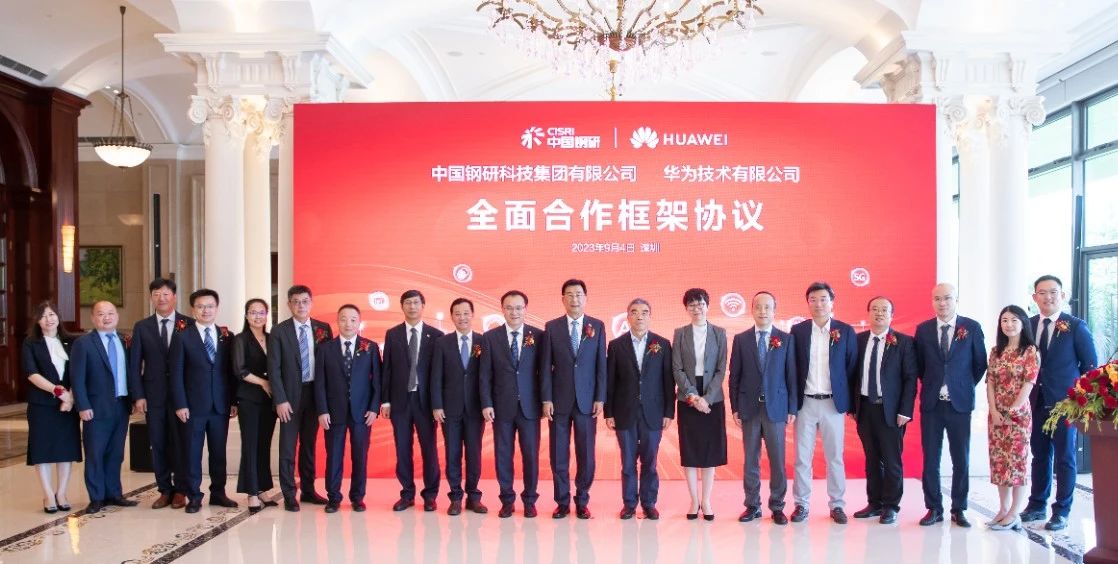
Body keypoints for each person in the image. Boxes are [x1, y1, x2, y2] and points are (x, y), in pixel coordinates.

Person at [1021, 275, 1097, 531]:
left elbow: (1090, 368)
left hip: (1065, 404)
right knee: (1039, 455)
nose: (1048, 297)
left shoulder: (1076, 326)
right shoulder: (1028, 325)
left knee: (1065, 457)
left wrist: (1081, 401)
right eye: (1042, 293)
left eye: (1053, 292)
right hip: (1035, 402)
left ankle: (1062, 510)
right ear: (1035, 297)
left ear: (1062, 295)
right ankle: (1036, 505)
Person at [914, 283, 987, 527]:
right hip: (932, 404)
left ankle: (959, 508)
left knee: (960, 459)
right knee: (931, 460)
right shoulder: (923, 330)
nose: (942, 303)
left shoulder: (971, 327)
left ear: (956, 299)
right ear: (932, 301)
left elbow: (980, 364)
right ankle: (934, 508)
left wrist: (961, 385)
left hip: (960, 404)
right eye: (937, 299)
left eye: (947, 298)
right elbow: (920, 366)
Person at [789, 281, 858, 524]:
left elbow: (851, 368)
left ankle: (837, 505)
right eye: (813, 300)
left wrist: (850, 403)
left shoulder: (845, 331)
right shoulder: (798, 331)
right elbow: (792, 369)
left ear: (832, 302)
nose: (818, 304)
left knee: (835, 457)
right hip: (805, 403)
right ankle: (801, 504)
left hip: (832, 404)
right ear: (808, 303)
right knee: (802, 457)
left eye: (823, 299)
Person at [540, 279, 607, 519]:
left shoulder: (597, 326)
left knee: (586, 455)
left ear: (585, 298)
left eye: (578, 294)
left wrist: (600, 397)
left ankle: (582, 500)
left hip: (587, 402)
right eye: (569, 294)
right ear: (562, 299)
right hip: (559, 401)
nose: (574, 299)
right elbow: (545, 366)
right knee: (558, 454)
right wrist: (546, 399)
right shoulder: (552, 327)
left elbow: (601, 365)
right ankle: (562, 502)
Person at [729, 291, 796, 525]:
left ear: (774, 311)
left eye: (767, 307)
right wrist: (735, 407)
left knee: (778, 461)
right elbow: (734, 376)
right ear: (752, 309)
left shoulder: (785, 339)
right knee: (751, 461)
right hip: (749, 409)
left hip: (776, 409)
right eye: (758, 306)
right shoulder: (741, 339)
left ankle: (777, 506)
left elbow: (791, 376)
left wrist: (792, 408)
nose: (763, 311)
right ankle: (752, 505)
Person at [170, 288, 239, 514]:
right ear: (193, 310)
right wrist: (180, 403)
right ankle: (194, 496)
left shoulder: (226, 337)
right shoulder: (182, 337)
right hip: (192, 407)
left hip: (220, 405)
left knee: (218, 452)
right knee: (192, 453)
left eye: (210, 306)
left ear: (216, 308)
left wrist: (233, 401)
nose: (205, 310)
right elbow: (176, 373)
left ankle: (218, 493)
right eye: (200, 307)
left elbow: (230, 372)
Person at [605, 298, 674, 520]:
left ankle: (649, 503)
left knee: (649, 462)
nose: (639, 316)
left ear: (650, 316)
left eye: (644, 312)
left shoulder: (662, 344)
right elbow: (610, 382)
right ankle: (629, 504)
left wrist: (668, 412)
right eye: (634, 312)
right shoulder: (616, 345)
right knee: (627, 462)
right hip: (624, 412)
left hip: (653, 413)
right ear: (628, 317)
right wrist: (609, 412)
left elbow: (668, 381)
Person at [851, 296, 917, 525]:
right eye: (875, 309)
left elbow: (910, 378)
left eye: (884, 310)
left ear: (891, 315)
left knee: (891, 460)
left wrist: (905, 411)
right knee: (871, 459)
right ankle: (874, 503)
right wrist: (852, 407)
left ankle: (891, 506)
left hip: (891, 411)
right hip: (865, 409)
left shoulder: (904, 342)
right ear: (868, 313)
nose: (879, 313)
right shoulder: (858, 340)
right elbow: (852, 375)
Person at [128, 278, 192, 510]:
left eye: (165, 294)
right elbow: (134, 364)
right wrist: (138, 395)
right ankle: (165, 489)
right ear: (151, 298)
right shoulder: (142, 327)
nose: (161, 298)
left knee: (182, 443)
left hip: (182, 396)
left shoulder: (188, 323)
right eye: (156, 294)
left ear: (174, 296)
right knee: (158, 443)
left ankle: (181, 489)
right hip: (153, 395)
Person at [268, 285, 332, 511]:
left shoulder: (323, 328)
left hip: (315, 395)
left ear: (311, 303)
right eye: (295, 302)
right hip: (289, 398)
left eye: (305, 301)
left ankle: (308, 489)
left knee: (309, 445)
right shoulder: (279, 331)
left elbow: (328, 364)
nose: (300, 305)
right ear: (289, 304)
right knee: (287, 447)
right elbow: (274, 368)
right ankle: (288, 494)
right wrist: (280, 399)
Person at [480, 290, 543, 518]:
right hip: (501, 407)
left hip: (530, 407)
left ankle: (530, 500)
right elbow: (484, 374)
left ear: (525, 309)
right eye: (509, 308)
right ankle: (507, 500)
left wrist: (545, 400)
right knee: (503, 455)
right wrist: (486, 403)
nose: (514, 312)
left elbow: (544, 373)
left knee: (530, 456)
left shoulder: (538, 336)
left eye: (518, 308)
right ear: (502, 310)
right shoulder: (490, 337)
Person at [71, 300, 138, 513]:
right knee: (95, 454)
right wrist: (82, 405)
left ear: (117, 316)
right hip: (95, 407)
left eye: (110, 313)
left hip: (121, 405)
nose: (106, 317)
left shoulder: (124, 341)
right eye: (101, 314)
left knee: (116, 453)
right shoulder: (83, 344)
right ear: (93, 318)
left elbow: (131, 372)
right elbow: (77, 378)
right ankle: (97, 497)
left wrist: (135, 398)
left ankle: (114, 493)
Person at [380, 289, 444, 511]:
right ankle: (407, 494)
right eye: (408, 303)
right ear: (402, 306)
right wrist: (385, 401)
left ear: (423, 306)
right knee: (402, 449)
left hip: (425, 402)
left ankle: (430, 495)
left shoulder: (436, 335)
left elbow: (438, 373)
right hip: (400, 401)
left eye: (416, 302)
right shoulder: (393, 334)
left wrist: (438, 403)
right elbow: (387, 369)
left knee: (429, 450)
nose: (412, 306)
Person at [315, 304, 381, 513]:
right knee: (334, 456)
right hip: (334, 413)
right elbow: (320, 383)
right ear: (337, 321)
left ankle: (357, 497)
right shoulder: (325, 349)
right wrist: (322, 410)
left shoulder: (370, 347)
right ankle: (333, 497)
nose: (348, 323)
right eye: (343, 319)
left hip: (362, 413)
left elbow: (377, 382)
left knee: (360, 456)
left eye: (353, 319)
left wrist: (374, 408)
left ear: (359, 322)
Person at [672, 288, 728, 521]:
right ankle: (694, 500)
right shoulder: (680, 334)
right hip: (688, 398)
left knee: (709, 451)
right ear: (686, 308)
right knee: (691, 450)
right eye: (692, 305)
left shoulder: (719, 333)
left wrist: (707, 398)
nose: (697, 308)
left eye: (700, 304)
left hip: (713, 398)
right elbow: (677, 369)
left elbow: (721, 369)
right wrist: (694, 397)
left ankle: (706, 500)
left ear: (707, 306)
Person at [22, 301, 81, 513]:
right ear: (38, 321)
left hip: (68, 405)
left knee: (65, 449)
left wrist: (70, 397)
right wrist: (58, 392)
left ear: (58, 317)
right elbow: (32, 373)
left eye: (52, 314)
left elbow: (78, 371)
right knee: (43, 449)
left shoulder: (72, 341)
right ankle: (48, 495)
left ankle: (62, 492)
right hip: (42, 404)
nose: (49, 319)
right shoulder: (31, 343)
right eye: (44, 316)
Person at [431, 298, 487, 515]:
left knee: (474, 454)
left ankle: (473, 497)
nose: (462, 317)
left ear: (472, 315)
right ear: (452, 316)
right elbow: (436, 376)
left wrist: (487, 404)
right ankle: (455, 497)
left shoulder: (483, 341)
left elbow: (487, 376)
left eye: (465, 313)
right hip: (449, 409)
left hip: (475, 408)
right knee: (452, 453)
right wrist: (437, 405)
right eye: (457, 313)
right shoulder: (442, 343)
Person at [985, 304, 1039, 531]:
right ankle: (1003, 508)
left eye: (1014, 320)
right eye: (1004, 321)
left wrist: (1012, 411)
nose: (1009, 325)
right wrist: (994, 411)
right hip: (996, 415)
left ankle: (1015, 513)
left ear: (1023, 323)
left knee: (1017, 463)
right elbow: (990, 383)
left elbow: (1029, 383)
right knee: (999, 463)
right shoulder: (996, 351)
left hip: (1018, 417)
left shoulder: (1030, 351)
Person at [232, 299, 279, 513]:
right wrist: (264, 383)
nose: (257, 316)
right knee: (250, 444)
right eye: (253, 312)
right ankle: (251, 492)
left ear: (267, 315)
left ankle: (262, 489)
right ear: (246, 315)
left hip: (269, 401)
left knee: (264, 444)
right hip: (249, 399)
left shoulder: (271, 338)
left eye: (261, 312)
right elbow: (239, 370)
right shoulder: (240, 339)